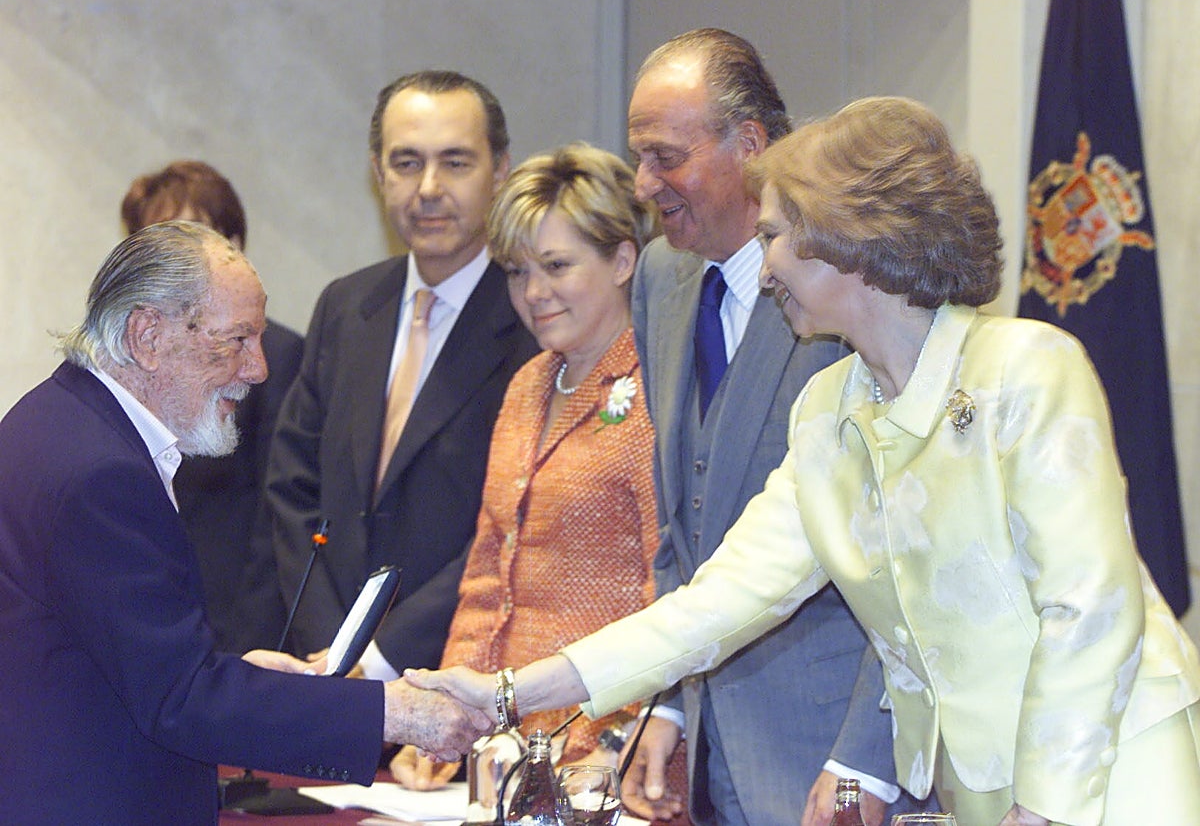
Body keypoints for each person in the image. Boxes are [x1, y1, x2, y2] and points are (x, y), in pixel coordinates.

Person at [410, 97, 1200, 826]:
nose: (766, 266)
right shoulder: (829, 409)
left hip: (1112, 777)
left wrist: (1044, 811)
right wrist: (513, 691)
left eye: (773, 235)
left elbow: (1088, 614)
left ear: (850, 236)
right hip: (983, 792)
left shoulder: (1025, 367)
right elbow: (715, 604)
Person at [0, 221, 492, 825]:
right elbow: (180, 698)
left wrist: (237, 675)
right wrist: (394, 712)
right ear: (148, 335)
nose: (258, 369)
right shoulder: (102, 471)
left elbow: (129, 659)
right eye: (236, 340)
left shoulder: (58, 422)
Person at [622, 28, 901, 825]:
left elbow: (907, 566)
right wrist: (671, 704)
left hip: (834, 762)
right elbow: (683, 522)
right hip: (711, 755)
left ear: (749, 145)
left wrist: (863, 767)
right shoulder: (660, 276)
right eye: (639, 156)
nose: (645, 182)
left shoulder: (853, 284)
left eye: (665, 155)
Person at [390, 143, 686, 799]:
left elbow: (666, 590)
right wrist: (443, 721)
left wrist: (623, 744)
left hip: (605, 754)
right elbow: (486, 575)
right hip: (508, 751)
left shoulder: (661, 387)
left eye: (556, 266)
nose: (533, 293)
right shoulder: (528, 382)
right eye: (518, 271)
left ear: (622, 259)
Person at [266, 71, 539, 676]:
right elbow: (292, 489)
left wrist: (383, 658)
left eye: (456, 163)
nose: (429, 189)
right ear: (378, 172)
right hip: (326, 672)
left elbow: (513, 526)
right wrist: (333, 653)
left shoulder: (535, 319)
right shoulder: (346, 305)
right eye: (407, 163)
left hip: (457, 675)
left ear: (501, 171)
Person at [121, 159, 303, 652]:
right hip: (133, 611)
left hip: (229, 619)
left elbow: (277, 519)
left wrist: (248, 645)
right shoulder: (119, 356)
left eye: (206, 239)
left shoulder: (277, 359)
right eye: (167, 243)